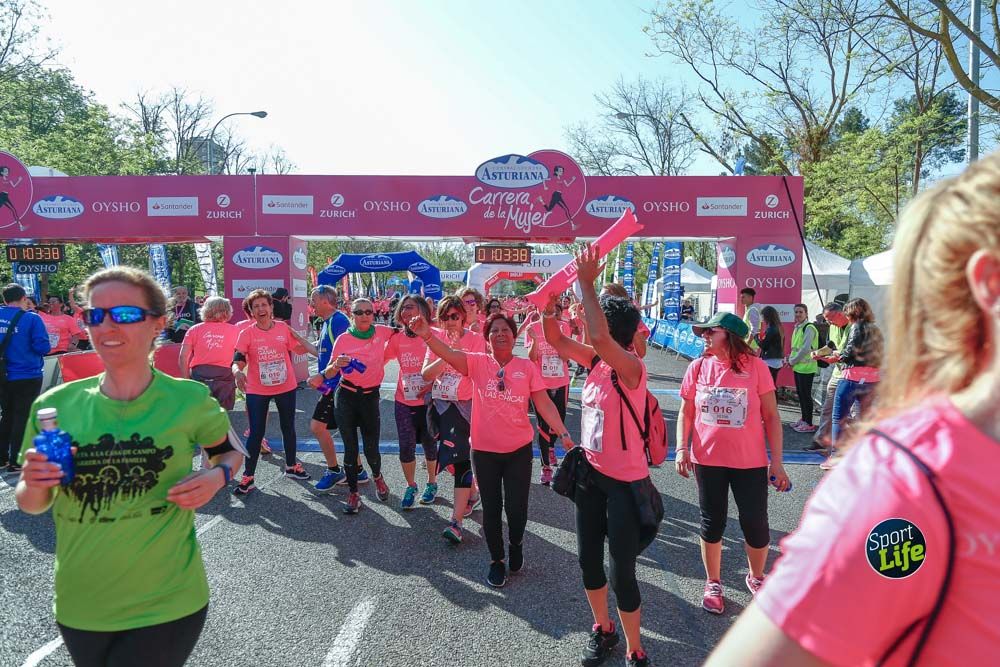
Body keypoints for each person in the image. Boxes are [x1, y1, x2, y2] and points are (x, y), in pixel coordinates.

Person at [705, 143, 1000, 667]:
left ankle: (829, 442)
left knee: (835, 412)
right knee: (834, 414)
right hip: (837, 400)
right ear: (991, 284)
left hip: (843, 381)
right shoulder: (903, 484)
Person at [15, 267, 241, 667]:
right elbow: (33, 503)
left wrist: (216, 476)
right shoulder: (55, 407)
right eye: (94, 315)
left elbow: (230, 452)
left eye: (124, 314)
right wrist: (33, 482)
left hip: (167, 601)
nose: (107, 326)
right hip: (80, 605)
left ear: (158, 323)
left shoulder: (188, 399)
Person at [540, 245, 654, 667]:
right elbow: (554, 338)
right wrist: (549, 307)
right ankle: (603, 629)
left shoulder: (631, 367)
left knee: (622, 571)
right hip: (590, 477)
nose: (587, 328)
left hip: (625, 484)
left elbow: (600, 338)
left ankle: (635, 649)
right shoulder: (595, 363)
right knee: (589, 561)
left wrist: (586, 283)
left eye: (594, 321)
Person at [409, 310, 573, 590]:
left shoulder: (526, 367)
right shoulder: (477, 362)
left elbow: (544, 402)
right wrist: (426, 335)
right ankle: (497, 560)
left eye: (505, 330)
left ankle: (516, 544)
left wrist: (564, 434)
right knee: (492, 509)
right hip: (484, 452)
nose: (500, 334)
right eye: (494, 330)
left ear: (514, 336)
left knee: (517, 508)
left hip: (518, 451)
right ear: (487, 338)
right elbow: (448, 354)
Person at [676, 311, 789, 615]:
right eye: (703, 332)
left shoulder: (757, 367)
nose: (704, 336)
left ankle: (757, 576)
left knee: (755, 522)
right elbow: (686, 412)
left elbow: (771, 416)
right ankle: (713, 582)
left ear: (730, 335)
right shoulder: (698, 367)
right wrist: (681, 448)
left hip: (749, 461)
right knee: (712, 522)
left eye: (710, 331)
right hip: (708, 459)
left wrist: (777, 462)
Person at [232, 289, 315, 494]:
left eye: (264, 305)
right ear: (251, 311)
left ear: (271, 308)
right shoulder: (247, 333)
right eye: (256, 306)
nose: (261, 309)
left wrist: (303, 340)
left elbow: (301, 349)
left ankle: (291, 466)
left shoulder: (283, 328)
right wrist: (237, 372)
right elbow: (238, 359)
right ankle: (248, 477)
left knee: (288, 427)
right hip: (257, 389)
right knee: (256, 432)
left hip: (285, 386)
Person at [421, 296, 487, 540]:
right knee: (450, 460)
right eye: (445, 317)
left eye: (454, 316)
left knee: (460, 461)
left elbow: (476, 371)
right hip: (441, 408)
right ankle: (472, 492)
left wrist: (457, 351)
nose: (450, 322)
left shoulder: (476, 339)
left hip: (466, 408)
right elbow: (426, 374)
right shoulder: (435, 338)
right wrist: (446, 353)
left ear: (463, 317)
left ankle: (455, 522)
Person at [323, 298, 397, 514]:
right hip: (346, 396)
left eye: (368, 312)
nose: (364, 316)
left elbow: (405, 332)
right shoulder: (343, 339)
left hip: (370, 397)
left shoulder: (382, 331)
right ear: (351, 314)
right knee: (350, 448)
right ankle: (354, 493)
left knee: (371, 447)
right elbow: (329, 372)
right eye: (359, 312)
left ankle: (377, 477)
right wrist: (336, 365)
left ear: (373, 314)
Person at [384, 295, 438, 509]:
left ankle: (432, 483)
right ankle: (410, 485)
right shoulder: (397, 338)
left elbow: (448, 362)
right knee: (406, 446)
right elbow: (380, 359)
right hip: (403, 401)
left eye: (411, 307)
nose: (406, 312)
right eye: (403, 308)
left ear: (423, 310)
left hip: (429, 401)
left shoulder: (433, 334)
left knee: (430, 444)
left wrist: (432, 385)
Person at [817, 297, 883, 469]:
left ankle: (836, 456)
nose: (845, 315)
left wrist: (836, 357)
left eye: (847, 312)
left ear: (853, 312)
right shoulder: (876, 329)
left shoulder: (856, 327)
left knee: (838, 417)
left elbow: (849, 352)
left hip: (852, 376)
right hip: (872, 379)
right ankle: (866, 455)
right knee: (864, 418)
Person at [305, 286, 356, 493]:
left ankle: (335, 471)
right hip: (331, 385)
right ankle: (359, 470)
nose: (311, 304)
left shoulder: (339, 321)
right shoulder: (328, 322)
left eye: (313, 299)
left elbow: (346, 356)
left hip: (336, 385)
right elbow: (319, 351)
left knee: (318, 427)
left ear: (325, 301)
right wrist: (295, 338)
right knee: (345, 429)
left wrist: (322, 376)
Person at [0, 284, 51, 472]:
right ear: (24, 298)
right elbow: (43, 347)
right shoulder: (31, 318)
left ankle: (2, 458)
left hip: (3, 375)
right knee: (22, 417)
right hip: (27, 374)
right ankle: (17, 460)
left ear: (5, 299)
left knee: (6, 414)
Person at [525, 300, 571, 485]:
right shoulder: (532, 327)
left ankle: (551, 447)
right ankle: (545, 468)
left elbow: (566, 357)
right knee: (543, 425)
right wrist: (535, 340)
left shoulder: (563, 327)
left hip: (561, 382)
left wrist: (557, 341)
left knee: (558, 422)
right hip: (540, 384)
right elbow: (531, 358)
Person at [178, 296, 240, 410]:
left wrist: (186, 379)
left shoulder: (194, 329)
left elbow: (183, 356)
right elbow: (242, 354)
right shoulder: (235, 330)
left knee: (200, 412)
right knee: (223, 413)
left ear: (205, 310)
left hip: (199, 376)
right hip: (225, 376)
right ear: (227, 311)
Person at [786, 304, 819, 433]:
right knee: (801, 395)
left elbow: (805, 349)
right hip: (799, 367)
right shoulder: (798, 327)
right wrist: (791, 360)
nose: (798, 314)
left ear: (806, 313)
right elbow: (796, 348)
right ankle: (804, 419)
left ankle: (809, 423)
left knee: (805, 395)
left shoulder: (808, 327)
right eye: (796, 312)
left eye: (800, 312)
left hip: (807, 368)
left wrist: (792, 361)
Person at [600, 283, 648, 358]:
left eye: (604, 297)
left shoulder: (632, 319)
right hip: (603, 362)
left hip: (625, 362)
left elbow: (641, 353)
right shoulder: (599, 318)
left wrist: (631, 324)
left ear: (618, 298)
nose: (600, 301)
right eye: (599, 297)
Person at [757, 305, 784, 384]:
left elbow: (764, 346)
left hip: (770, 361)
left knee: (768, 384)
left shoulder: (771, 329)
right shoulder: (779, 328)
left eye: (763, 316)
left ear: (767, 316)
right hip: (776, 361)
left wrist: (756, 338)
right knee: (772, 383)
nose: (762, 318)